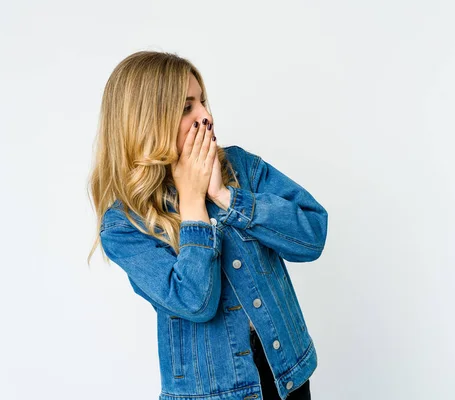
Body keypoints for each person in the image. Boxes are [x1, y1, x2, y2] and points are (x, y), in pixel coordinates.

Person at [87, 50, 328, 400]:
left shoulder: (241, 168)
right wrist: (192, 202)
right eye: (187, 107)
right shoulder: (124, 224)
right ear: (148, 122)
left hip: (286, 377)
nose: (206, 115)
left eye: (202, 101)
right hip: (212, 394)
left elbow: (313, 235)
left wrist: (226, 196)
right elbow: (195, 302)